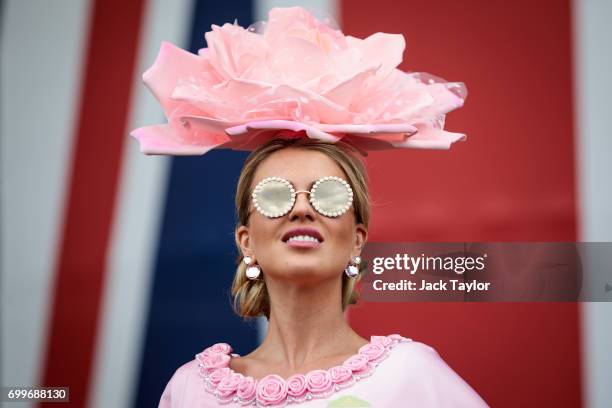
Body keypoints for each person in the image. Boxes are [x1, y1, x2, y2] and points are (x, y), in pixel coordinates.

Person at [131, 6, 487, 407]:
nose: (301, 209)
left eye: (330, 195)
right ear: (246, 241)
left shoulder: (412, 376)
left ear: (357, 240)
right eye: (275, 195)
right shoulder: (191, 389)